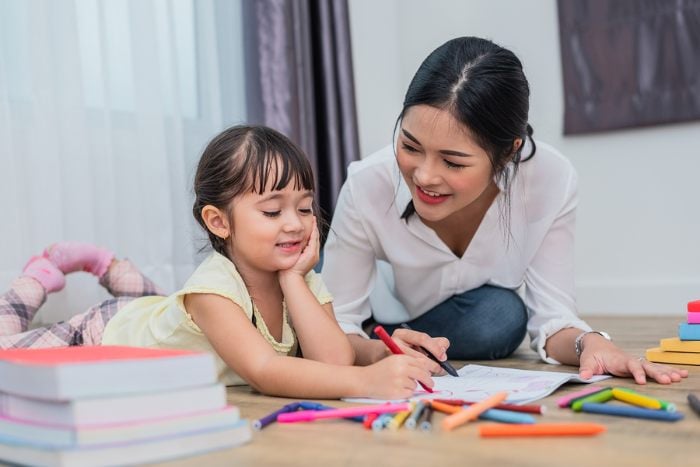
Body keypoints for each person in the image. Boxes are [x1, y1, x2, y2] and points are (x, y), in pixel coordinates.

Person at [322, 36, 687, 385]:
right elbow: (337, 322)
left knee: (501, 317)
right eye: (410, 145)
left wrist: (590, 343)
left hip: (462, 316)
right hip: (380, 312)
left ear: (509, 152)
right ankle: (386, 338)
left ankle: (408, 344)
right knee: (308, 299)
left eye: (452, 162)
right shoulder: (367, 184)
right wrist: (376, 353)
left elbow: (553, 315)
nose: (424, 176)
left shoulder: (550, 179)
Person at [0, 125, 435, 399]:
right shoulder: (214, 289)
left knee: (157, 305)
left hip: (161, 324)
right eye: (272, 211)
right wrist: (364, 383)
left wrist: (381, 350)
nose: (295, 225)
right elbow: (265, 371)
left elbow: (331, 359)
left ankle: (104, 262)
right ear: (218, 221)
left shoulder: (297, 277)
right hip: (98, 336)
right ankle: (39, 275)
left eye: (304, 209)